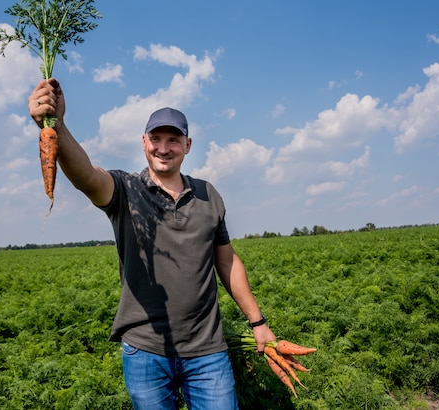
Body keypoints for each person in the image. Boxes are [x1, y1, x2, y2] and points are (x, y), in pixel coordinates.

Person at [28, 78, 277, 410]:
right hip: (145, 351)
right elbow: (87, 176)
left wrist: (258, 323)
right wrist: (56, 125)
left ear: (187, 145)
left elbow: (228, 263)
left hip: (207, 353)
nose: (163, 148)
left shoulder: (208, 195)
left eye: (173, 140)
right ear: (144, 142)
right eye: (156, 139)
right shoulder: (125, 190)